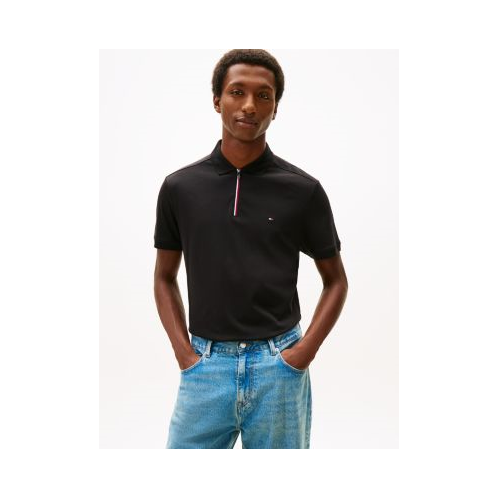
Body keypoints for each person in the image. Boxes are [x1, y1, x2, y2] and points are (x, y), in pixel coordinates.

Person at [154, 49, 348, 449]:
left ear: (275, 108)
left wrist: (301, 354)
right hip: (205, 367)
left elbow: (336, 282)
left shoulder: (303, 191)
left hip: (279, 368)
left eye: (263, 95)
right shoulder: (180, 188)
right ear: (217, 100)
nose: (249, 105)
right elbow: (163, 277)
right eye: (237, 92)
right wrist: (185, 355)